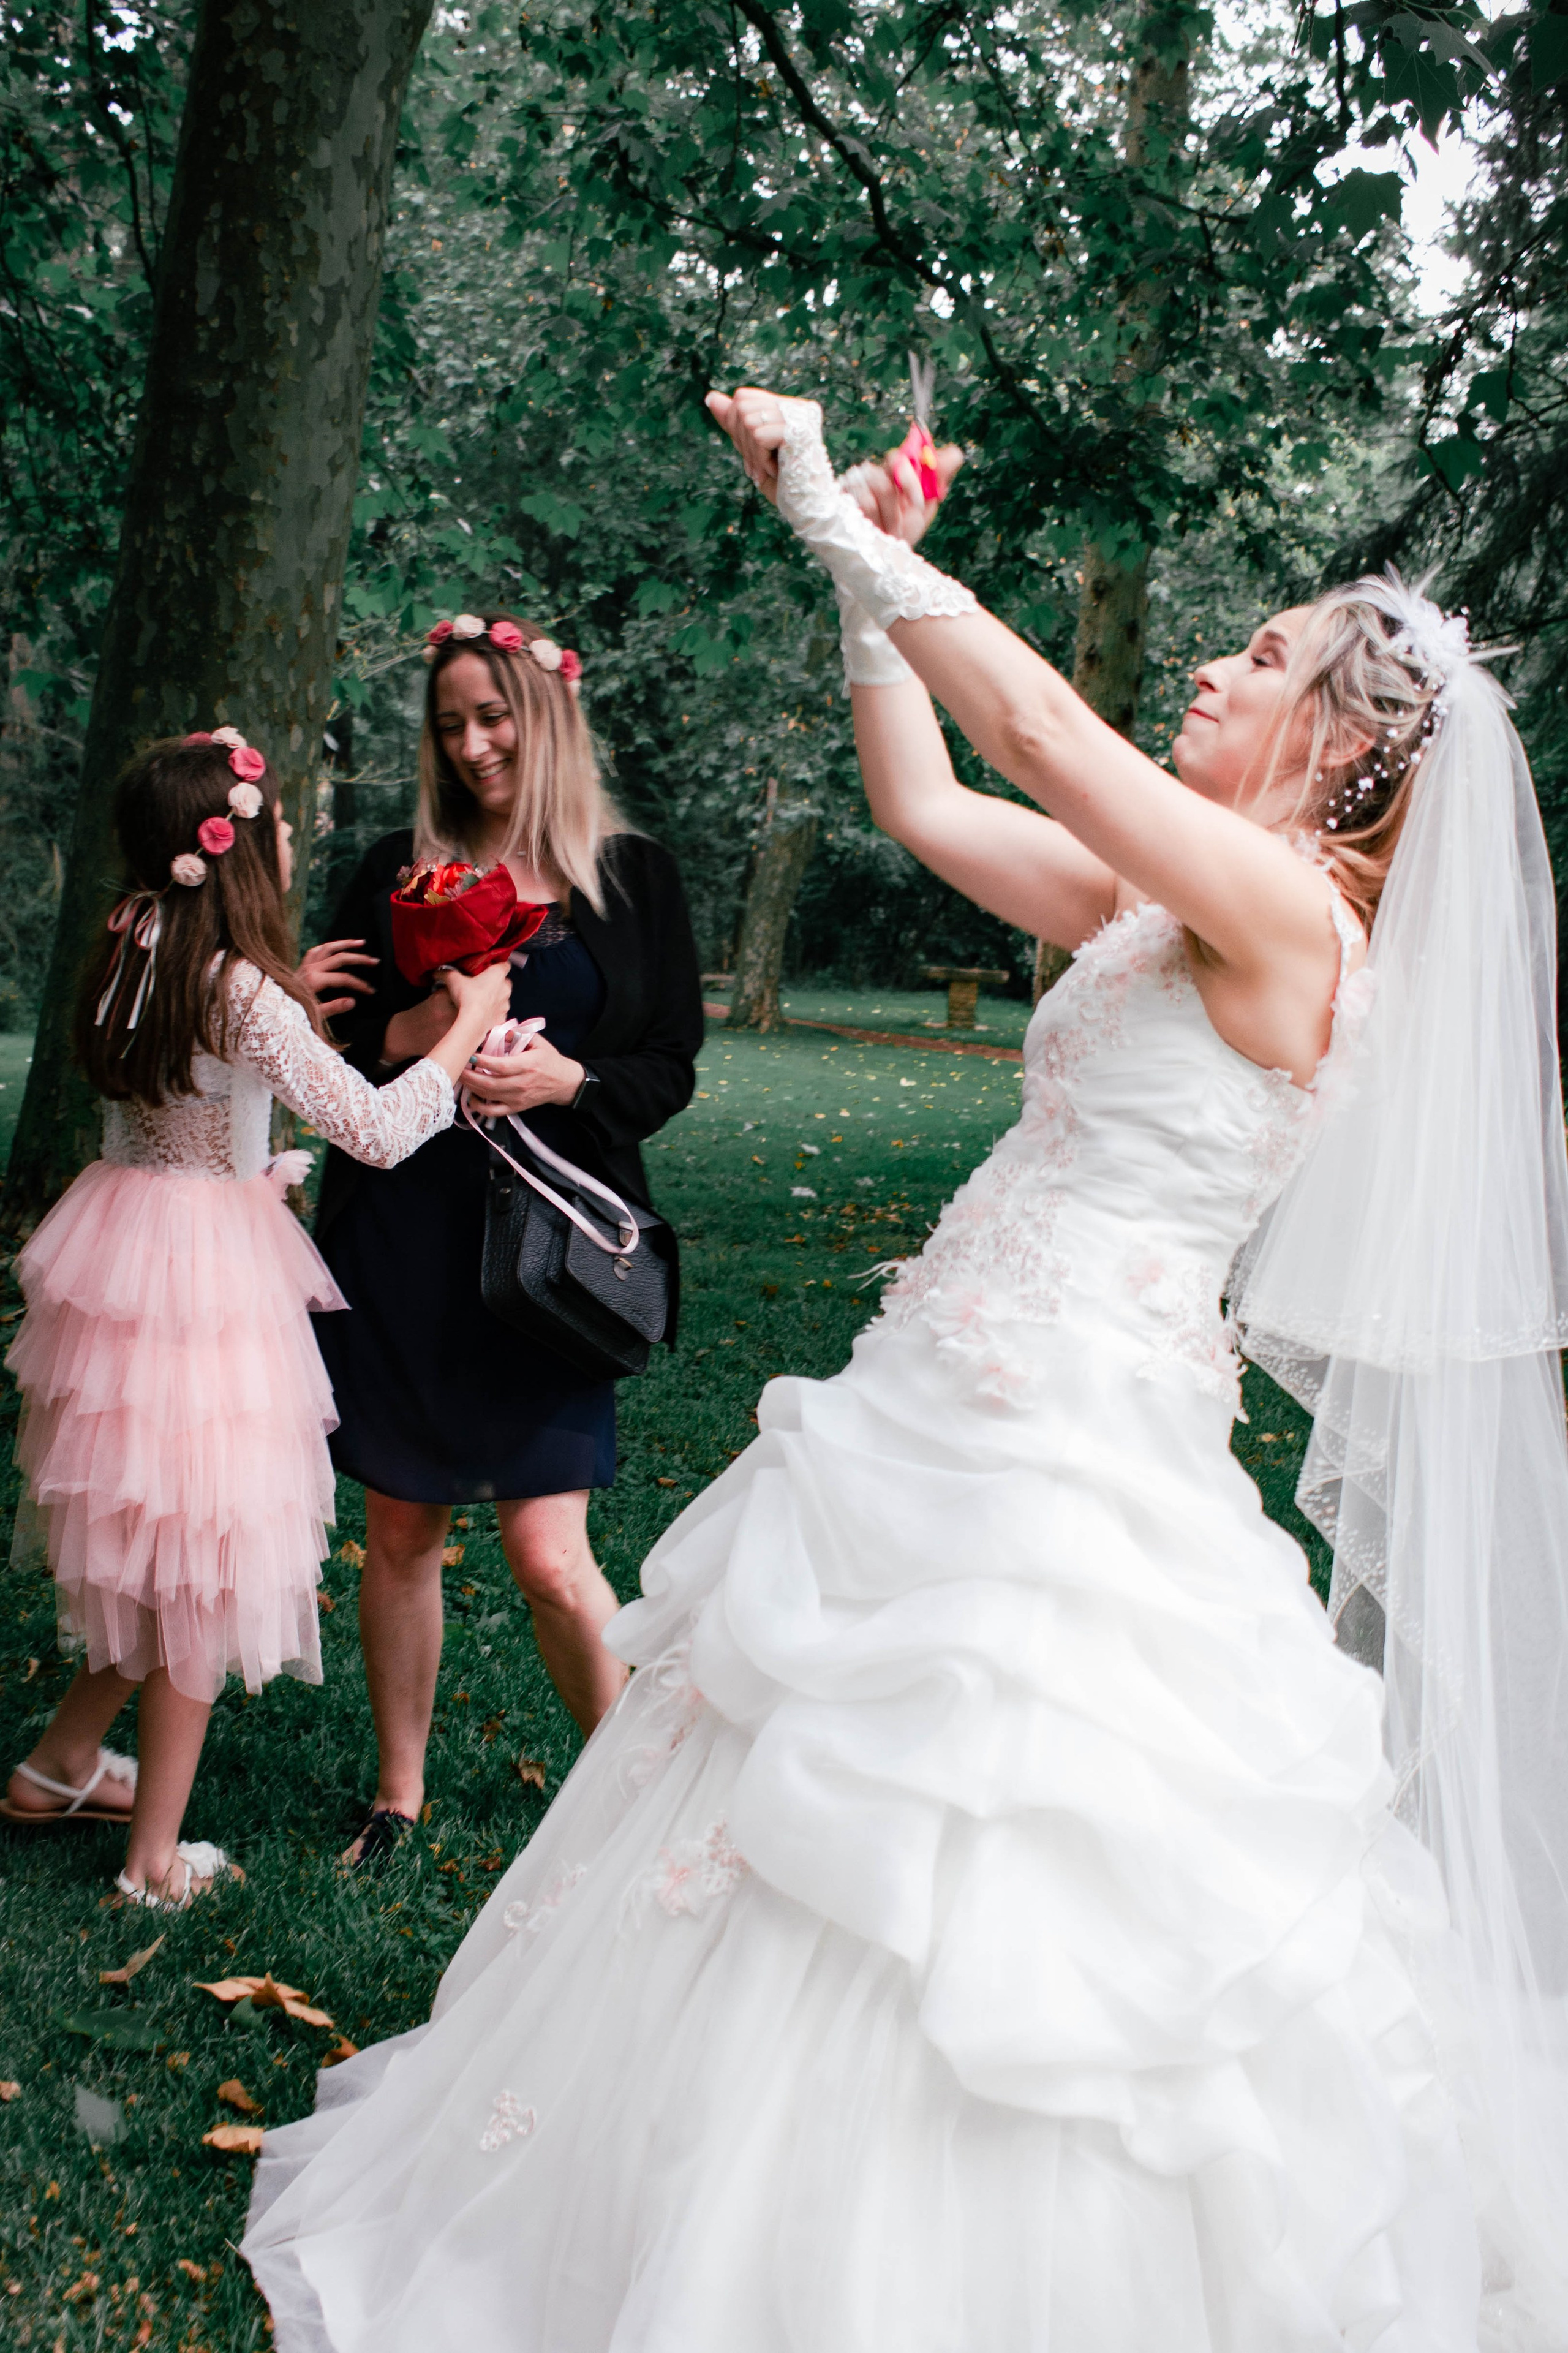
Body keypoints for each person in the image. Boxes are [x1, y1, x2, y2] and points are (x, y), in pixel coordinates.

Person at [241, 404, 1568, 2349]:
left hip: (1074, 1465)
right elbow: (939, 808)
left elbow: (1042, 737)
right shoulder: (1163, 906)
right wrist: (859, 596)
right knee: (790, 1799)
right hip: (947, 1394)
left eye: (1262, 655)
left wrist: (835, 525)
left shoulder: (1284, 917)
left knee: (987, 1846)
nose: (1213, 659)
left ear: (1353, 751)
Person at [1, 730, 509, 1908]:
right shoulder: (234, 984)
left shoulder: (137, 943)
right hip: (203, 1281)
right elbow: (377, 1131)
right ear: (231, 850)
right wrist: (471, 1019)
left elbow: (205, 1085)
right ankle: (153, 1859)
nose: (290, 838)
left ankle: (59, 1765)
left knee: (150, 1542)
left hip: (128, 1252)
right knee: (200, 1559)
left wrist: (295, 1017)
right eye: (278, 823)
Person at [303, 612, 702, 1867]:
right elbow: (338, 1049)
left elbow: (667, 1067)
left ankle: (631, 1798)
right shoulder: (390, 866)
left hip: (553, 1254)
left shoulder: (632, 879)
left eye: (494, 715)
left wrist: (567, 1084)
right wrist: (427, 1035)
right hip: (406, 1239)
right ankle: (399, 1794)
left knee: (545, 1550)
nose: (474, 745)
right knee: (403, 1528)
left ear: (546, 714)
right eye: (450, 724)